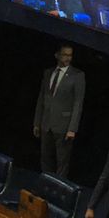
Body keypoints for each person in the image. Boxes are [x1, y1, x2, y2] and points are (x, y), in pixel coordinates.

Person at [33, 43, 85, 177]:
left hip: (64, 125)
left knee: (62, 161)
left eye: (70, 55)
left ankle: (58, 190)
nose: (68, 58)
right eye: (65, 55)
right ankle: (45, 186)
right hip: (46, 124)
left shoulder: (77, 75)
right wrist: (37, 122)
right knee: (45, 158)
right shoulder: (48, 72)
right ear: (57, 55)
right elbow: (41, 98)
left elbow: (78, 103)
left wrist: (72, 128)